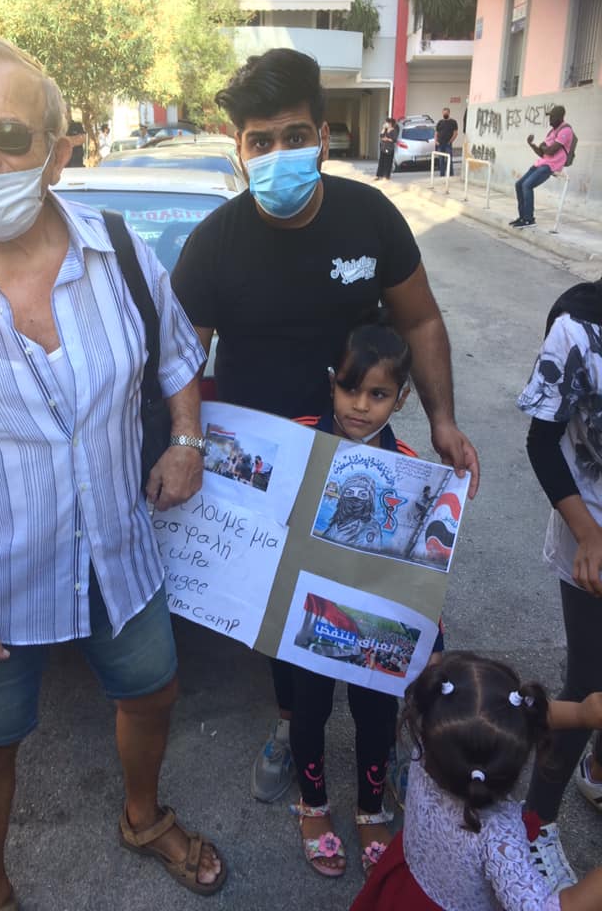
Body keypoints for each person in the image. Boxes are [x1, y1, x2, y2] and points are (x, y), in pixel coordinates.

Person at [0, 36, 226, 911]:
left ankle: (142, 817)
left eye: (9, 133)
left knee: (153, 694)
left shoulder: (120, 251)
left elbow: (176, 355)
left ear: (59, 154)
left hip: (122, 557)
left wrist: (186, 439)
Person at [172, 48, 479, 810]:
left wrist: (442, 419)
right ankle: (292, 726)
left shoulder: (368, 217)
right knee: (281, 605)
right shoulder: (214, 242)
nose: (278, 153)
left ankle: (389, 736)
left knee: (376, 599)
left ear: (322, 135)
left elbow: (421, 319)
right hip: (263, 465)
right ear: (239, 146)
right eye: (260, 140)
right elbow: (180, 357)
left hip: (359, 454)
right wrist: (183, 443)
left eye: (293, 135)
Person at [287, 320, 415, 878]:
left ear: (401, 398)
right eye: (349, 388)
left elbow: (421, 563)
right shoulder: (297, 439)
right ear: (331, 382)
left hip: (374, 618)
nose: (361, 406)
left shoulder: (411, 466)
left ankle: (371, 809)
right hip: (304, 610)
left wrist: (433, 630)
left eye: (378, 394)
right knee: (307, 708)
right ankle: (312, 804)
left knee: (376, 714)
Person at [350, 651, 602, 910]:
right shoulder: (497, 837)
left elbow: (509, 717)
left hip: (405, 885)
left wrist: (581, 713)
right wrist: (581, 714)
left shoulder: (430, 743)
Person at [516, 277, 602, 891]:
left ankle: (595, 771)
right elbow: (541, 443)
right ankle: (535, 823)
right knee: (590, 684)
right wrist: (589, 536)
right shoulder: (578, 329)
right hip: (591, 529)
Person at [510, 105, 573, 228]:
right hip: (541, 163)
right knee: (519, 184)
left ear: (560, 117)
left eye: (552, 117)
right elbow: (542, 152)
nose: (550, 120)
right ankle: (522, 217)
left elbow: (551, 151)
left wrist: (544, 147)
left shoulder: (566, 130)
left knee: (527, 185)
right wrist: (531, 144)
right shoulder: (551, 132)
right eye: (549, 116)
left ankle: (529, 219)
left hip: (551, 166)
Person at [434, 107, 458, 177]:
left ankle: (451, 174)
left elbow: (455, 133)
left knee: (449, 160)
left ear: (449, 113)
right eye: (444, 113)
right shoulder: (440, 122)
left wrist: (451, 141)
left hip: (448, 144)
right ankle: (442, 175)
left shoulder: (453, 122)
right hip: (440, 144)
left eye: (446, 113)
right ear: (442, 113)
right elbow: (436, 133)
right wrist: (436, 141)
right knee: (441, 160)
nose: (445, 114)